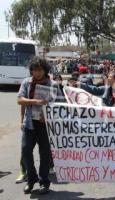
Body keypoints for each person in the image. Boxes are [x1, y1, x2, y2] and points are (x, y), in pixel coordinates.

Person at [17, 56, 62, 194]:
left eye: (40, 70)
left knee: (45, 154)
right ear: (31, 70)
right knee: (25, 152)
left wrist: (49, 116)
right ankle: (31, 180)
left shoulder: (53, 84)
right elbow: (20, 100)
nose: (37, 73)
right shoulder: (26, 82)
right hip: (29, 124)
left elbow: (60, 104)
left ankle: (44, 182)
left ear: (45, 70)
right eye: (34, 70)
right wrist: (35, 102)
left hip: (45, 125)